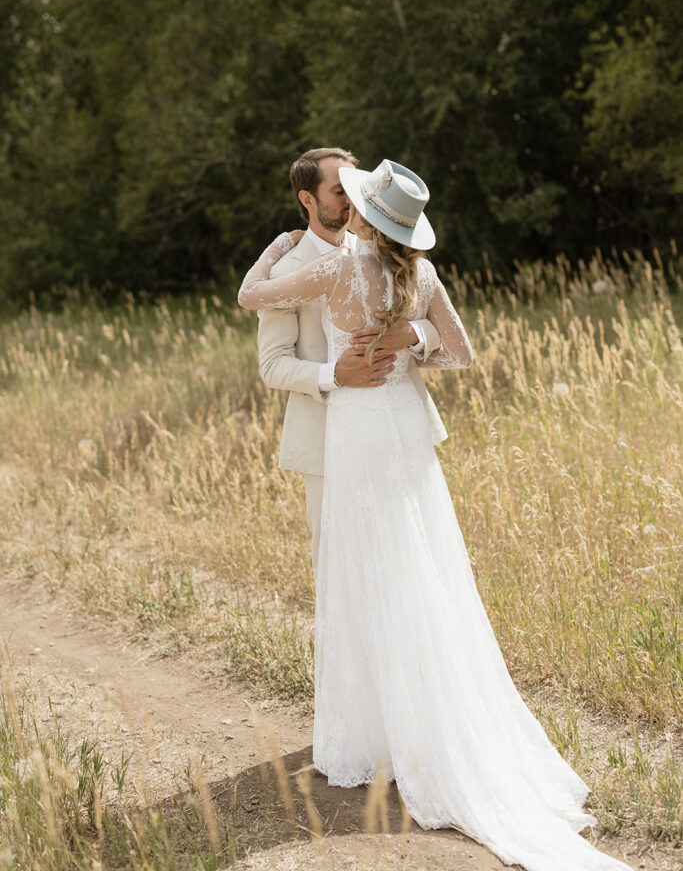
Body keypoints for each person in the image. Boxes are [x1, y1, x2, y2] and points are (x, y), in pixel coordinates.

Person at [238, 158, 634, 871]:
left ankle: (374, 738)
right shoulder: (420, 275)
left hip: (360, 430)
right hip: (403, 432)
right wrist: (412, 338)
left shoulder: (333, 271)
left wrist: (271, 248)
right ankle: (410, 721)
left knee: (365, 574)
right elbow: (462, 350)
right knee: (421, 569)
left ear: (359, 214)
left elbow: (248, 296)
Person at [256, 147, 449, 584]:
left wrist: (414, 335)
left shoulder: (388, 250)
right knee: (339, 568)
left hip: (397, 432)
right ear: (308, 199)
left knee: (409, 558)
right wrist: (333, 375)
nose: (353, 201)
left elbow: (440, 330)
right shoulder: (287, 269)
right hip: (325, 439)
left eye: (355, 190)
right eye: (340, 191)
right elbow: (272, 365)